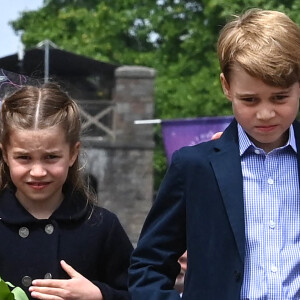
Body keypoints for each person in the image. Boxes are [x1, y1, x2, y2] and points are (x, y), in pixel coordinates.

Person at [128, 8, 300, 299]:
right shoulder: (194, 167)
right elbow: (148, 265)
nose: (266, 112)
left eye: (280, 97)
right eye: (250, 99)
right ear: (226, 87)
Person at [0, 83, 133, 300]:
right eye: (24, 158)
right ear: (5, 155)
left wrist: (100, 295)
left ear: (73, 153)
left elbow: (140, 293)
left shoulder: (101, 226)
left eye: (51, 157)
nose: (38, 171)